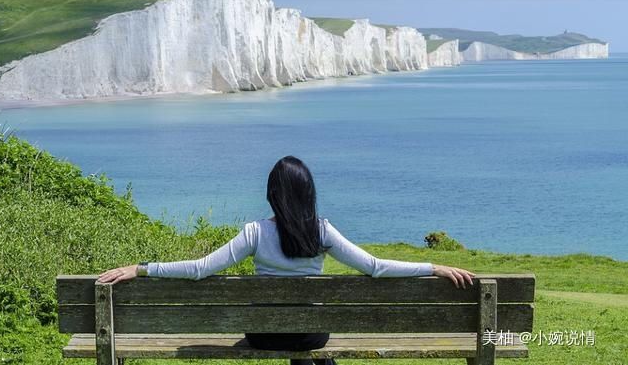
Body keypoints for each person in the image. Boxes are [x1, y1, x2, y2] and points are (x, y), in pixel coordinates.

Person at [98, 156, 475, 365]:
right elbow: (375, 267)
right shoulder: (323, 231)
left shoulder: (254, 233)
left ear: (272, 194)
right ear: (308, 192)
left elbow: (199, 269)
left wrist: (141, 268)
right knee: (307, 344)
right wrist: (434, 267)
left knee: (285, 334)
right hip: (311, 333)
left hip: (262, 334)